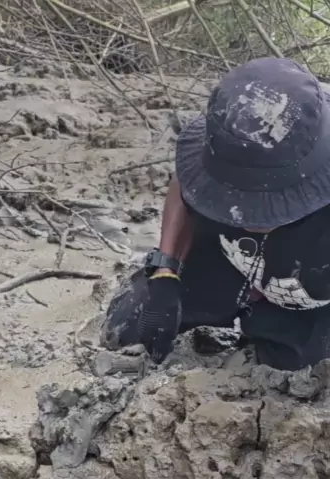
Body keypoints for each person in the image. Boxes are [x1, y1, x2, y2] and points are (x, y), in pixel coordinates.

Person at [102, 57, 330, 371]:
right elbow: (187, 181)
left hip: (310, 285)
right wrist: (166, 270)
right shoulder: (231, 129)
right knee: (130, 328)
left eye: (267, 202)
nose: (251, 218)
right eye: (241, 198)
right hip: (228, 257)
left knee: (299, 370)